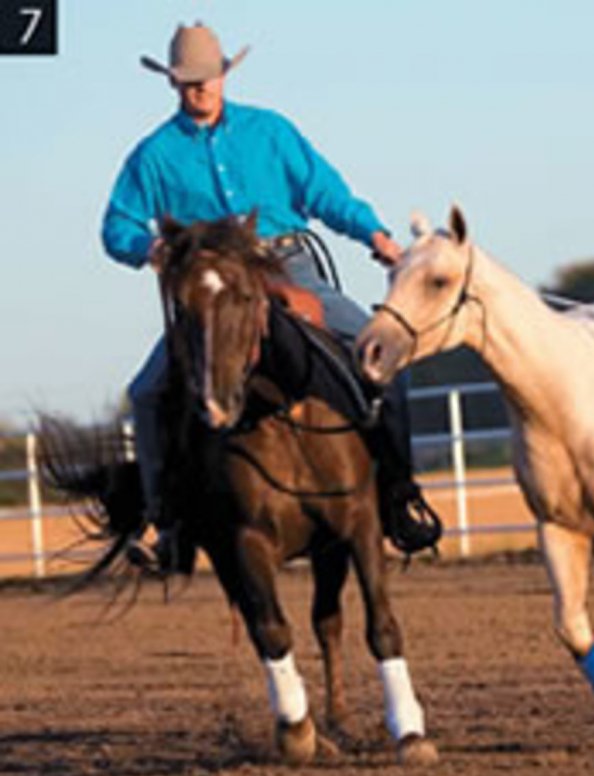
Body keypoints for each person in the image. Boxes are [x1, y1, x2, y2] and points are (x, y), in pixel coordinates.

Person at [101, 22, 440, 571]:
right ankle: (165, 524)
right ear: (172, 84)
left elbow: (328, 194)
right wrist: (151, 248)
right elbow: (115, 226)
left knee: (379, 355)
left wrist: (376, 236)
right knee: (146, 391)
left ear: (224, 75)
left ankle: (400, 497)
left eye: (207, 78)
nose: (199, 90)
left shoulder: (271, 132)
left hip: (289, 267)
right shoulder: (153, 155)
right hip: (215, 288)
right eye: (188, 82)